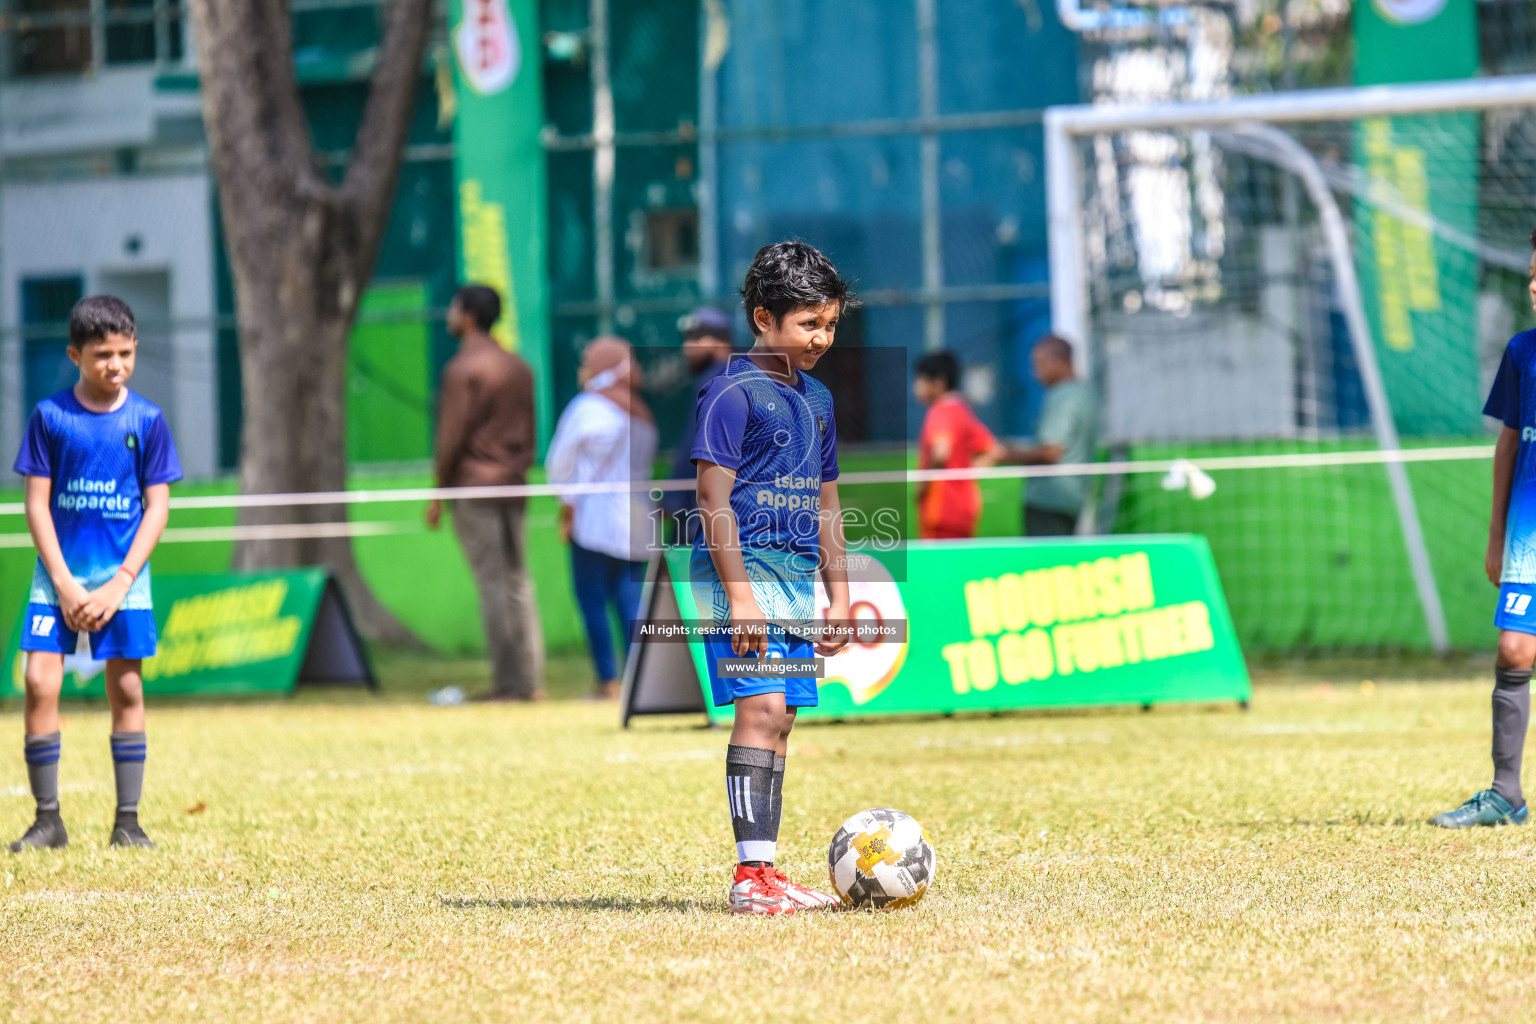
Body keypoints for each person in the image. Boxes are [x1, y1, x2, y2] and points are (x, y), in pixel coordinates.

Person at [691, 240, 853, 915]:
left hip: (792, 580)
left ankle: (768, 872)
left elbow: (826, 503)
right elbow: (711, 500)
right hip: (742, 580)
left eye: (832, 324)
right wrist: (740, 598)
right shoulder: (730, 393)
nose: (822, 338)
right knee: (758, 711)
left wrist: (840, 593)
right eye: (808, 324)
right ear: (764, 318)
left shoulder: (817, 399)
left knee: (781, 719)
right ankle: (748, 880)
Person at [10, 295, 182, 851]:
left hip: (122, 579)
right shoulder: (50, 417)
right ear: (74, 355)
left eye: (125, 353)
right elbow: (36, 505)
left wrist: (121, 581)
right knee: (39, 682)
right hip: (56, 576)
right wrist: (62, 582)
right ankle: (48, 820)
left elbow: (157, 507)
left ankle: (127, 823)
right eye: (102, 354)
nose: (116, 365)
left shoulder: (147, 421)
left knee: (126, 687)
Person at [1429, 230, 1536, 828]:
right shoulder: (1524, 352)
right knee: (1514, 648)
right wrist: (1496, 533)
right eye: (1531, 273)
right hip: (1528, 532)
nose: (1533, 285)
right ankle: (1506, 794)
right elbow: (1507, 443)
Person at [425, 285, 545, 702]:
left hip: (474, 487)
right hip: (513, 484)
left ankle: (507, 683)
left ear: (469, 316)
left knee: (492, 583)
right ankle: (530, 682)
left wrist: (438, 492)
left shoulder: (463, 370)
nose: (449, 315)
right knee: (519, 583)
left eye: (454, 307)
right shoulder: (519, 367)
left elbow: (451, 438)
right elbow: (531, 432)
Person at [545, 336, 658, 701]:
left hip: (594, 520)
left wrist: (566, 501)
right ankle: (641, 679)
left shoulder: (588, 408)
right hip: (638, 521)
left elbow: (559, 462)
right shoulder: (640, 412)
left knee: (591, 599)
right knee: (630, 601)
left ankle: (607, 681)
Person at [1009, 334, 1098, 536]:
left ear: (1056, 361)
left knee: (1042, 565)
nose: (1035, 373)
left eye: (1038, 364)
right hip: (1073, 500)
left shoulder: (1063, 396)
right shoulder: (1086, 393)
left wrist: (1003, 454)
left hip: (1048, 502)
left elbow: (1051, 452)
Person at [913, 351, 1004, 540]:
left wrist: (923, 487)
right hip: (965, 507)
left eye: (920, 380)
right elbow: (995, 451)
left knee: (937, 567)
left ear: (938, 382)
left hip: (941, 509)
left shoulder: (940, 411)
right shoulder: (962, 409)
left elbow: (940, 453)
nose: (916, 387)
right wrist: (966, 477)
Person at [661, 308, 734, 543]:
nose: (686, 348)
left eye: (695, 339)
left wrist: (671, 499)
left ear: (719, 340)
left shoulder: (713, 380)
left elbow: (694, 445)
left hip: (707, 508)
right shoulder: (740, 375)